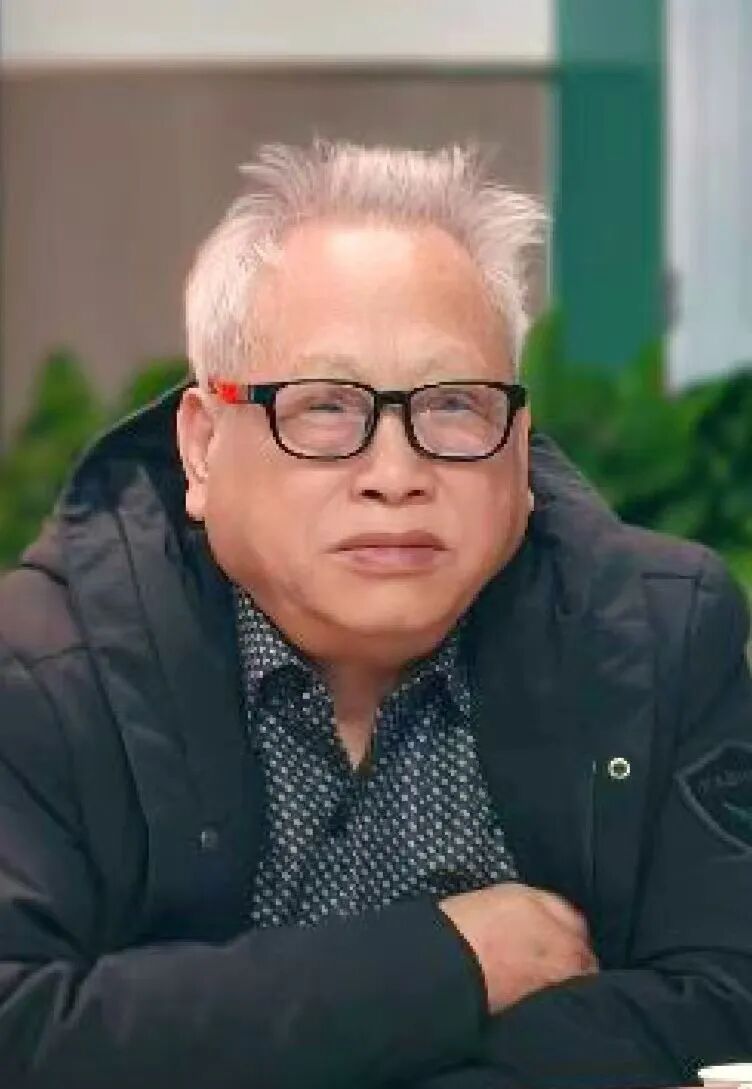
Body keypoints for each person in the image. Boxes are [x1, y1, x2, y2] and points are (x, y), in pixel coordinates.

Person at [0, 141, 750, 1089]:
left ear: (518, 447)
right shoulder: (40, 673)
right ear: (201, 446)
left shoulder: (659, 633)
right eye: (322, 408)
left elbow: (725, 997)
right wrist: (447, 967)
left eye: (454, 405)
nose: (396, 475)